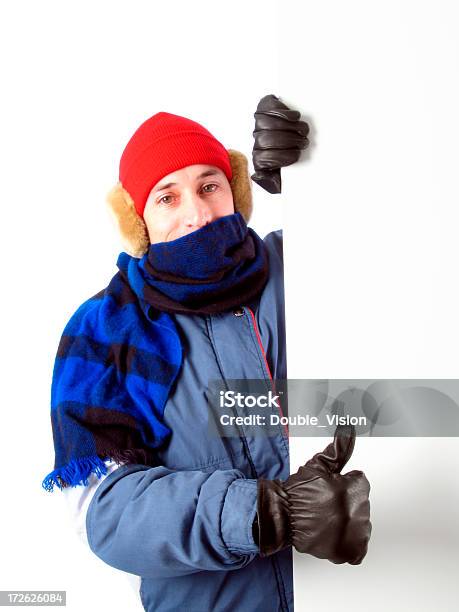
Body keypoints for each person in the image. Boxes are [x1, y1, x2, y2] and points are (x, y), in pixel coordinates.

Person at [43, 111, 371, 612]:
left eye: (209, 185)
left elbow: (401, 234)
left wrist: (319, 172)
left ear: (235, 190)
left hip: (369, 592)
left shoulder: (298, 265)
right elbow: (104, 511)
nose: (196, 213)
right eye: (167, 197)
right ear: (139, 221)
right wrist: (263, 513)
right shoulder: (105, 332)